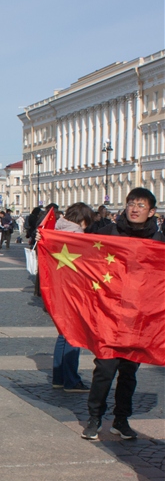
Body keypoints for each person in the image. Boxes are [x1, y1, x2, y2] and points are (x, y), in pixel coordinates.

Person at [82, 188, 164, 441]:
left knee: (129, 373)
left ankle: (121, 419)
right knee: (104, 369)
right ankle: (94, 418)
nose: (134, 208)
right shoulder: (108, 234)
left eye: (141, 204)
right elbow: (83, 258)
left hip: (140, 319)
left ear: (151, 211)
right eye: (131, 203)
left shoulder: (159, 242)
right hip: (109, 315)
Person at [47, 203, 94, 392]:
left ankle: (59, 377)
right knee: (74, 335)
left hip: (59, 286)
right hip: (75, 288)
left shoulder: (57, 229)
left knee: (63, 334)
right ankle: (71, 380)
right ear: (83, 219)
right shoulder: (77, 234)